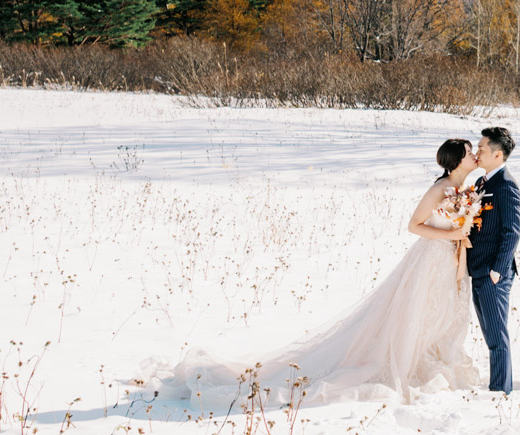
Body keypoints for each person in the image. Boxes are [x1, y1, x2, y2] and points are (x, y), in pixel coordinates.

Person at [148, 139, 482, 404]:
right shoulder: (440, 189)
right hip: (430, 260)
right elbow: (414, 225)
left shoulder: (466, 190)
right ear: (456, 160)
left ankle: (433, 359)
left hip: (451, 261)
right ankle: (405, 364)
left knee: (441, 315)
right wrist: (451, 234)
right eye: (469, 153)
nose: (474, 156)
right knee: (417, 314)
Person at [466, 125, 520, 394]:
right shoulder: (480, 183)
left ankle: (501, 392)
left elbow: (512, 232)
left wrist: (497, 271)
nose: (477, 152)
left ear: (497, 155)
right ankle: (499, 389)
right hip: (477, 269)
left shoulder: (506, 185)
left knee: (497, 338)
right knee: (489, 337)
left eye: (481, 148)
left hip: (493, 274)